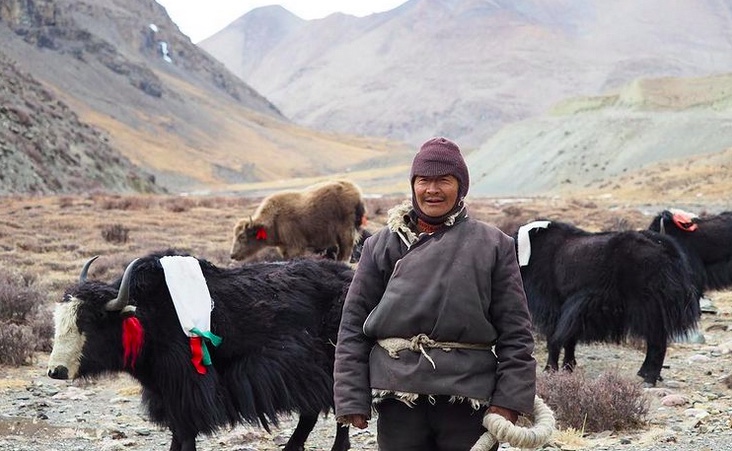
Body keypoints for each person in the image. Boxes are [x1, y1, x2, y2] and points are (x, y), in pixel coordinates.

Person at [333, 136, 537, 451]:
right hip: (398, 393)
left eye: (444, 180)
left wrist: (509, 400)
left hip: (467, 395)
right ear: (413, 185)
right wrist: (351, 397)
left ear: (461, 187)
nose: (432, 189)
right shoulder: (381, 246)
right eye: (424, 180)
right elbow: (352, 328)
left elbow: (517, 334)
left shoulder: (493, 245)